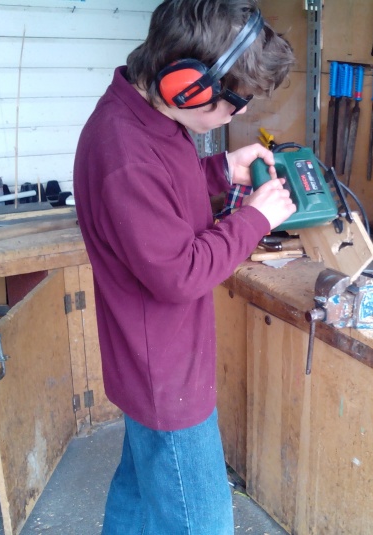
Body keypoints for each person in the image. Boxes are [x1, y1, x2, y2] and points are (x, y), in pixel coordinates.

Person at [73, 1, 296, 533]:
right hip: (164, 374)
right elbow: (180, 273)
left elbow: (161, 192)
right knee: (203, 520)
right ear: (186, 85)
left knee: (141, 490)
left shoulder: (146, 116)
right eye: (234, 101)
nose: (239, 113)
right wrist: (255, 220)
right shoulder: (124, 152)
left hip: (150, 358)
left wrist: (220, 169)